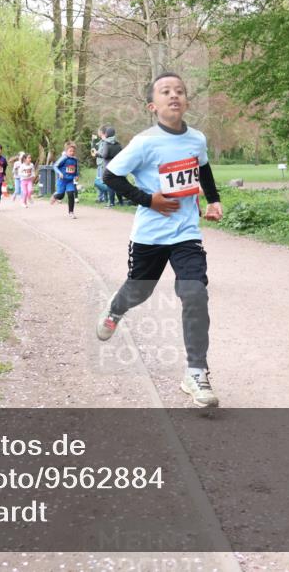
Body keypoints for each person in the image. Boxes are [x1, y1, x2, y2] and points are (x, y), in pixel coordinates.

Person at [97, 72, 224, 407]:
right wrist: (148, 199)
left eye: (180, 91)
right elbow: (111, 175)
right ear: (153, 106)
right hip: (150, 235)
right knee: (140, 290)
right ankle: (115, 309)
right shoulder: (144, 142)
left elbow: (204, 168)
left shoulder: (197, 138)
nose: (174, 96)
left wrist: (213, 200)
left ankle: (196, 372)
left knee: (194, 293)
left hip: (186, 233)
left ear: (187, 101)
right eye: (166, 91)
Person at [96, 125, 124, 206]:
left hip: (108, 166)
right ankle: (121, 202)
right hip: (118, 166)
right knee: (118, 184)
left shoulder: (106, 143)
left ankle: (111, 203)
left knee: (110, 184)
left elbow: (104, 155)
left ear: (107, 134)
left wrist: (97, 154)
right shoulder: (118, 143)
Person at [51, 142, 80, 218]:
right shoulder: (64, 158)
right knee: (61, 196)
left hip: (70, 181)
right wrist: (59, 173)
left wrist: (76, 175)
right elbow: (55, 166)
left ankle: (71, 212)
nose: (72, 153)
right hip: (62, 180)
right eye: (70, 151)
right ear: (66, 151)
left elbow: (76, 169)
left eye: (73, 151)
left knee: (71, 194)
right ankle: (55, 196)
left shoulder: (75, 160)